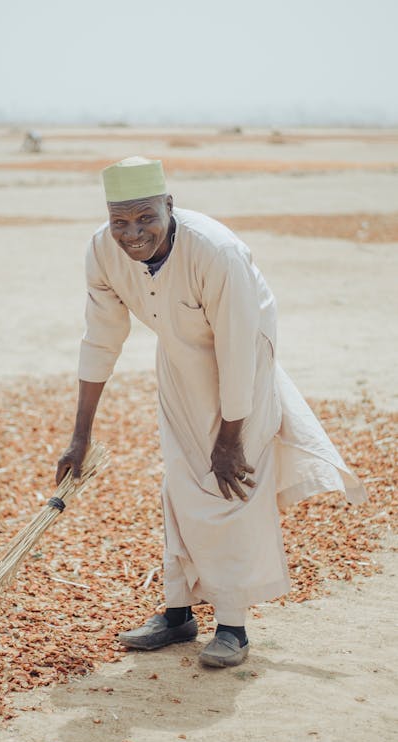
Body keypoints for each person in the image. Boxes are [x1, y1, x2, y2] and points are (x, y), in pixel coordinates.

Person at [55, 157, 366, 668]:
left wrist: (230, 437)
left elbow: (238, 349)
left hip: (244, 361)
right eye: (120, 222)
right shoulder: (101, 250)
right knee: (180, 480)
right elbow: (100, 339)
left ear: (169, 206)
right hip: (177, 358)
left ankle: (233, 628)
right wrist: (79, 436)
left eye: (145, 218)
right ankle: (178, 615)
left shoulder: (215, 251)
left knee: (231, 487)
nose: (133, 234)